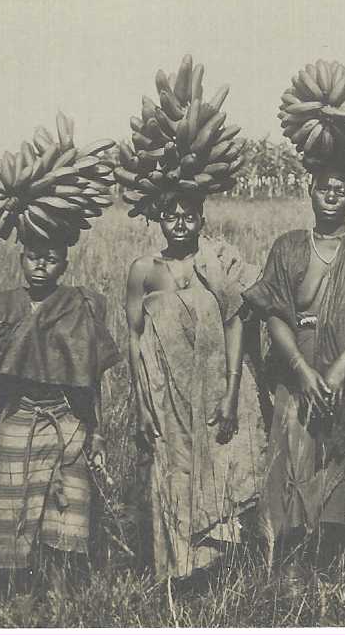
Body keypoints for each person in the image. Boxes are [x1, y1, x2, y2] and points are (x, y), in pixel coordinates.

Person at [243, 160, 345, 584]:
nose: (332, 194)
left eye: (341, 187)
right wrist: (301, 370)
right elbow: (274, 314)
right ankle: (289, 570)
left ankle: (334, 570)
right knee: (292, 463)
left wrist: (341, 366)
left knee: (340, 470)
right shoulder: (289, 247)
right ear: (310, 191)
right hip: (295, 369)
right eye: (324, 187)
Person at [125, 193, 266, 584]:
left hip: (212, 385)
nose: (181, 224)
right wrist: (140, 403)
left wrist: (232, 391)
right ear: (159, 221)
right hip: (163, 389)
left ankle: (217, 573)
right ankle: (178, 573)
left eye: (189, 216)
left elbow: (235, 322)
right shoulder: (144, 271)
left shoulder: (215, 264)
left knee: (219, 468)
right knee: (173, 469)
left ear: (202, 219)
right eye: (172, 216)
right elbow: (134, 339)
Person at [0, 236, 121, 601]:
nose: (41, 266)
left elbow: (91, 380)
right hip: (20, 420)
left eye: (52, 259)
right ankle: (17, 595)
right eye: (33, 258)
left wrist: (97, 433)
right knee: (15, 514)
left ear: (65, 265)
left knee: (66, 515)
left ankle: (61, 598)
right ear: (21, 258)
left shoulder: (80, 305)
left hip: (68, 421)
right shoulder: (5, 307)